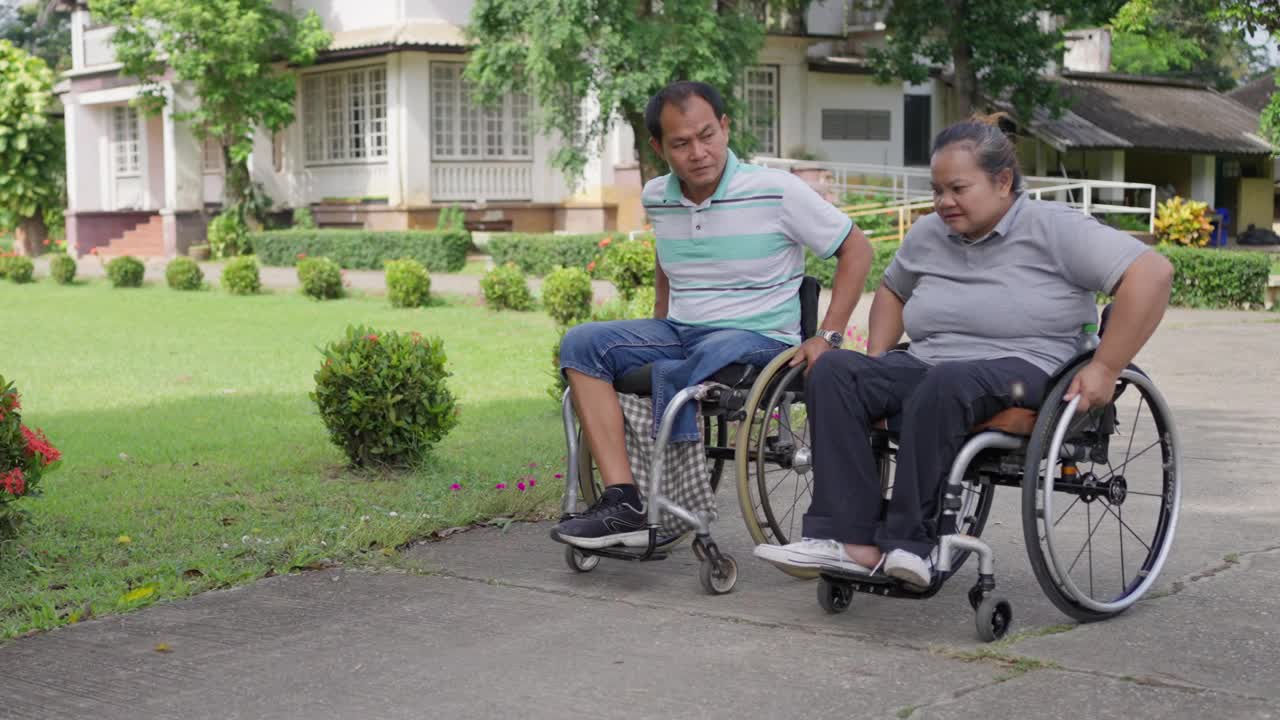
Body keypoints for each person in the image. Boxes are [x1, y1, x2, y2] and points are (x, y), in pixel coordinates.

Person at [753, 114, 1175, 588]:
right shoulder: (930, 233)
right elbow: (892, 290)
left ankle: (915, 541)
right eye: (936, 190)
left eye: (957, 189)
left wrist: (1106, 366)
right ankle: (848, 539)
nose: (944, 202)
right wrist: (876, 361)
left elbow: (1152, 274)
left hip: (1028, 370)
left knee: (948, 381)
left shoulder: (1054, 228)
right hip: (932, 364)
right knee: (835, 371)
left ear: (1002, 181)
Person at [551, 80, 873, 549]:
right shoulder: (657, 195)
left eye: (707, 135)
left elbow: (856, 250)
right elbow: (667, 258)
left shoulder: (776, 190)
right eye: (681, 143)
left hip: (758, 337)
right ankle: (624, 501)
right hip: (682, 331)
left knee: (697, 357)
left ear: (725, 128)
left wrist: (829, 334)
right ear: (660, 148)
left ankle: (679, 493)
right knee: (581, 343)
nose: (698, 152)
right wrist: (658, 321)